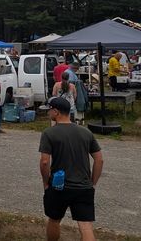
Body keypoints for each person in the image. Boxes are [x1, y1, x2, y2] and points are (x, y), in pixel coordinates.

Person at [39, 97, 103, 241]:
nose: (48, 113)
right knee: (85, 225)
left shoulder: (49, 133)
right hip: (84, 187)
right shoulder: (86, 132)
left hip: (58, 186)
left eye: (49, 110)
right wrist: (92, 183)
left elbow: (44, 162)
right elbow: (99, 159)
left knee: (54, 220)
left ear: (56, 112)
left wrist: (46, 183)